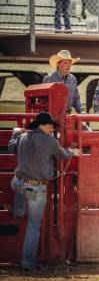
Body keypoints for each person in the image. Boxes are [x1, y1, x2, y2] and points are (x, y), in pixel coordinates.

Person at [8, 112, 82, 270]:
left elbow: (11, 147)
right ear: (42, 126)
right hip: (35, 187)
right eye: (49, 126)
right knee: (34, 225)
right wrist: (72, 152)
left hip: (18, 181)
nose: (51, 129)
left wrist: (15, 133)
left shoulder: (23, 137)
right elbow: (62, 155)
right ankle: (28, 263)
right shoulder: (50, 141)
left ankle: (18, 210)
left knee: (17, 185)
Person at [42, 50, 83, 115]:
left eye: (70, 63)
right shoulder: (48, 79)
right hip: (52, 116)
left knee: (84, 126)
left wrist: (81, 111)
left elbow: (76, 98)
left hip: (67, 115)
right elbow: (43, 100)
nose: (69, 65)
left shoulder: (72, 79)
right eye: (65, 63)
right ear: (58, 64)